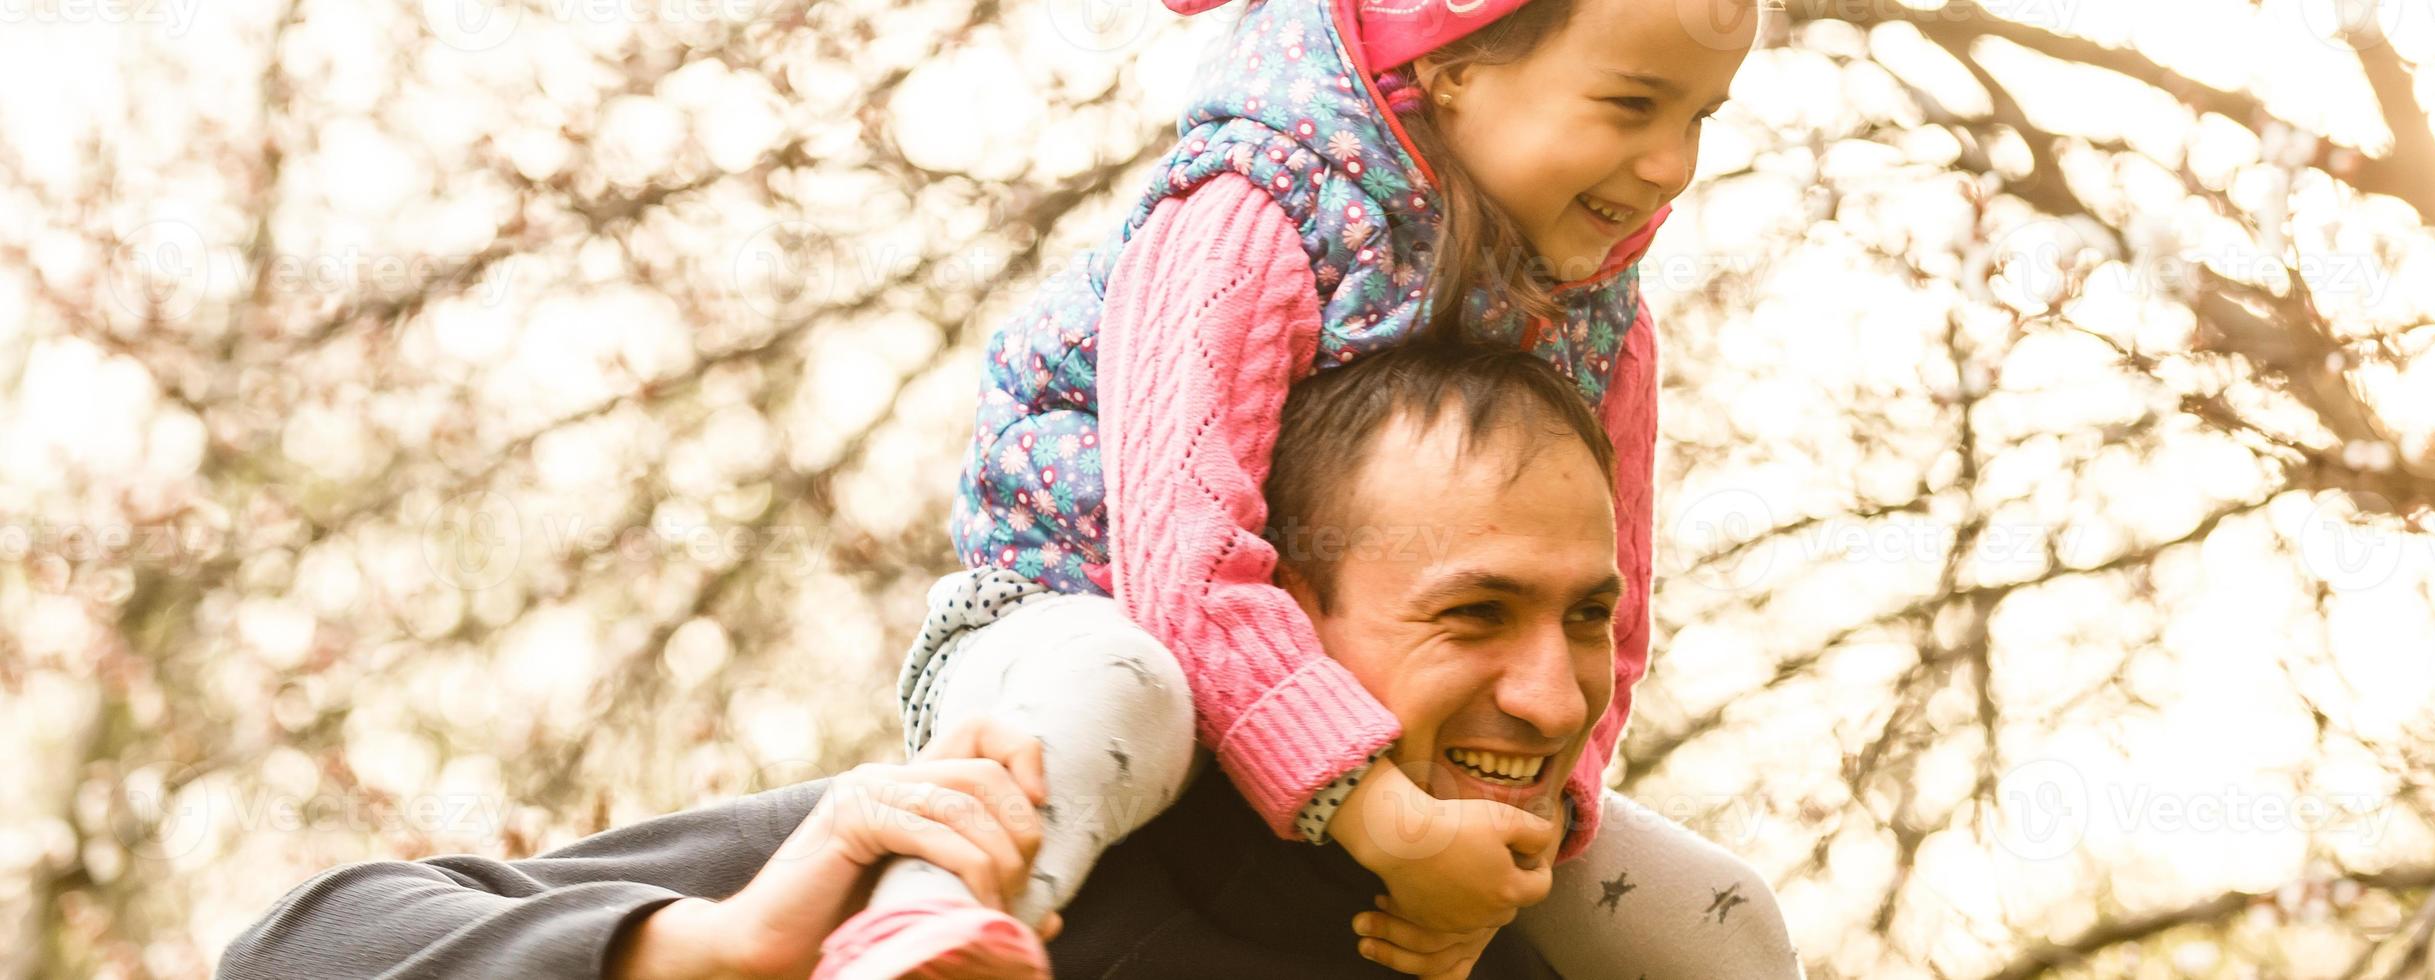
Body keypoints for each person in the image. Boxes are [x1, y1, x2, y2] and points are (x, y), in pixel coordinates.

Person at [216, 345, 1792, 979]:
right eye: (1473, 614)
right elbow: (295, 951)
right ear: (1271, 620)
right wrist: (704, 953)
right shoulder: (991, 854)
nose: (1549, 692)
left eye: (1586, 616)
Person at [828, 0, 1787, 973]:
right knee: (1120, 692)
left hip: (1340, 682)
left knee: (1713, 910)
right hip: (1080, 615)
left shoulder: (1604, 321)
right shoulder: (1253, 206)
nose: (1671, 164)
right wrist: (1382, 820)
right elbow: (1184, 563)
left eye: (1698, 117)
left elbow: (1607, 611)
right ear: (1452, 64)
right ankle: (926, 922)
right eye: (1630, 107)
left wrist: (1540, 815)